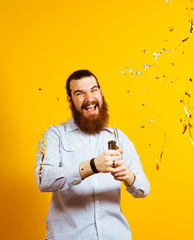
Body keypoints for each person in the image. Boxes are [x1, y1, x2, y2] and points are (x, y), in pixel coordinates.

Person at [35, 70, 150, 240]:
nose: (89, 98)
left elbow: (144, 189)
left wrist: (128, 175)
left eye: (93, 90)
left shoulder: (118, 137)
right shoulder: (55, 135)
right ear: (70, 100)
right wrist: (92, 166)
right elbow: (43, 180)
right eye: (79, 93)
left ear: (101, 93)